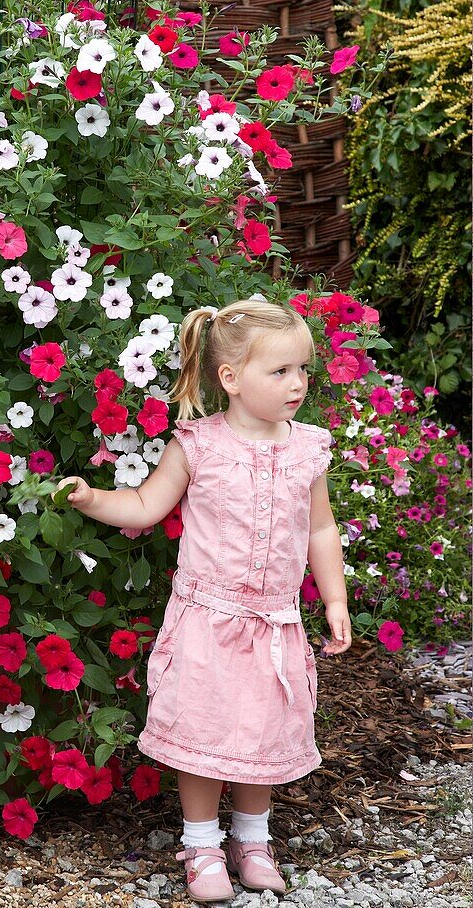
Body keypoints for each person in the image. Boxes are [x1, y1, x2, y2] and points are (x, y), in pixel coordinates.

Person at [55, 297, 352, 902]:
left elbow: (321, 528)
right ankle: (200, 844)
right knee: (206, 736)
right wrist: (91, 499)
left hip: (274, 622)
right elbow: (144, 506)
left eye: (304, 370)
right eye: (281, 372)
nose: (298, 384)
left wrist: (335, 599)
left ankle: (253, 838)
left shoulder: (307, 450)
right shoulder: (199, 446)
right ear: (231, 379)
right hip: (208, 620)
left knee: (262, 734)